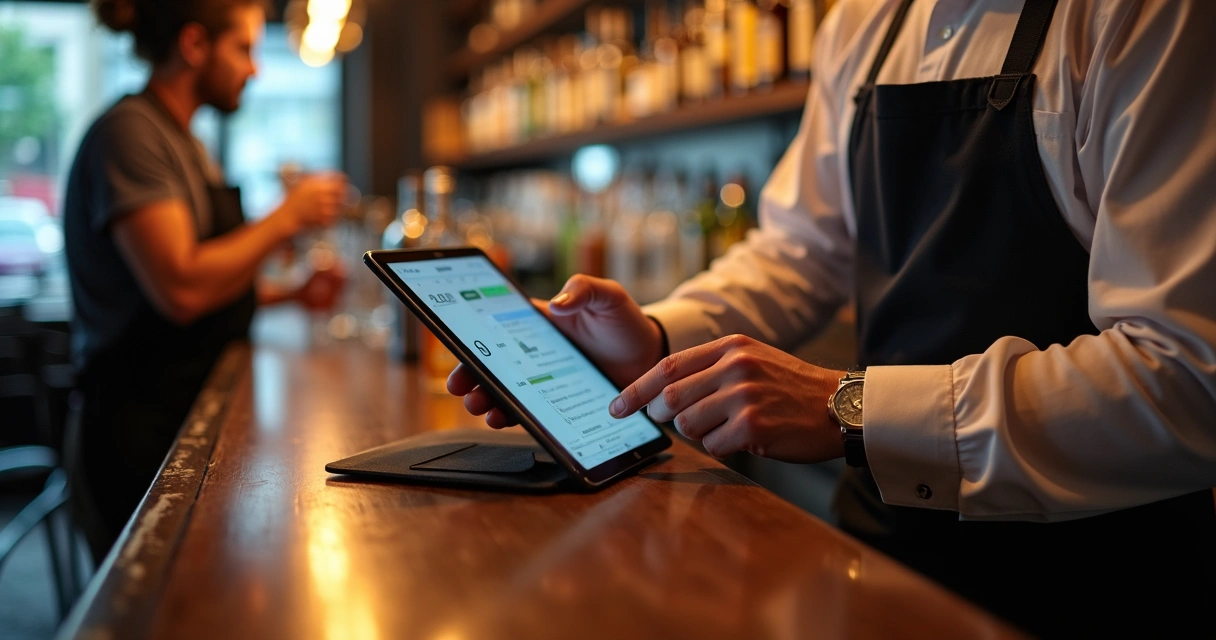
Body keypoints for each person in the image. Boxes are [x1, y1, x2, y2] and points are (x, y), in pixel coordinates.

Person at [449, 0, 1216, 634]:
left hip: (1097, 578)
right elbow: (802, 247)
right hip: (880, 553)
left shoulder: (1149, 17)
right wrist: (654, 340)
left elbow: (1188, 376)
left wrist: (851, 409)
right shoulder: (866, 20)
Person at [63, 0, 346, 562]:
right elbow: (182, 290)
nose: (255, 68)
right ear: (194, 46)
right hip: (135, 428)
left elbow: (215, 281)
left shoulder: (186, 142)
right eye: (243, 48)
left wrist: (292, 293)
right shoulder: (131, 135)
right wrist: (287, 216)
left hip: (183, 411)